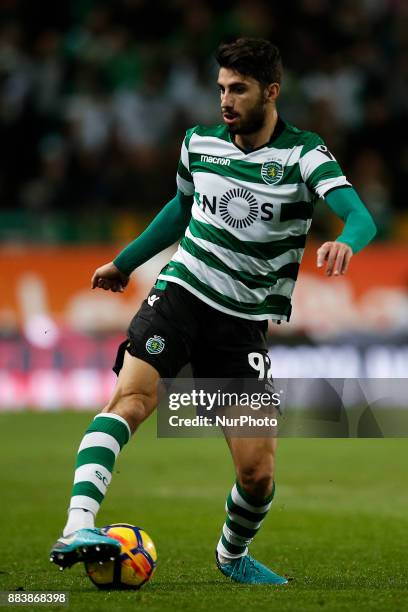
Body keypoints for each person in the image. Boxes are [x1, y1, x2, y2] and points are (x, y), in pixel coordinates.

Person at [50, 38, 376, 585]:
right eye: (222, 87)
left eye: (239, 89)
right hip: (182, 293)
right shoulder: (199, 143)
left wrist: (347, 242)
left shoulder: (304, 153)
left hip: (241, 324)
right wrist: (126, 262)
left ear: (270, 92)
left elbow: (361, 216)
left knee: (257, 476)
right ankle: (78, 524)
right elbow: (181, 206)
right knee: (130, 400)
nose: (226, 100)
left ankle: (231, 556)